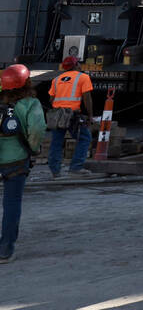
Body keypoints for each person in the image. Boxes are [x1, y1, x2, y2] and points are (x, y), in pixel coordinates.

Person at [0, 64, 45, 264]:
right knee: (11, 204)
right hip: (16, 161)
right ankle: (5, 250)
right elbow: (36, 129)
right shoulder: (31, 104)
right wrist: (33, 149)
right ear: (27, 82)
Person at [46, 55, 93, 178]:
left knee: (56, 142)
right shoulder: (83, 77)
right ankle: (76, 168)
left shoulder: (56, 79)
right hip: (73, 115)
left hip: (57, 114)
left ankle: (55, 171)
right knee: (84, 138)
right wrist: (90, 115)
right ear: (76, 65)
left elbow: (51, 99)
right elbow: (87, 98)